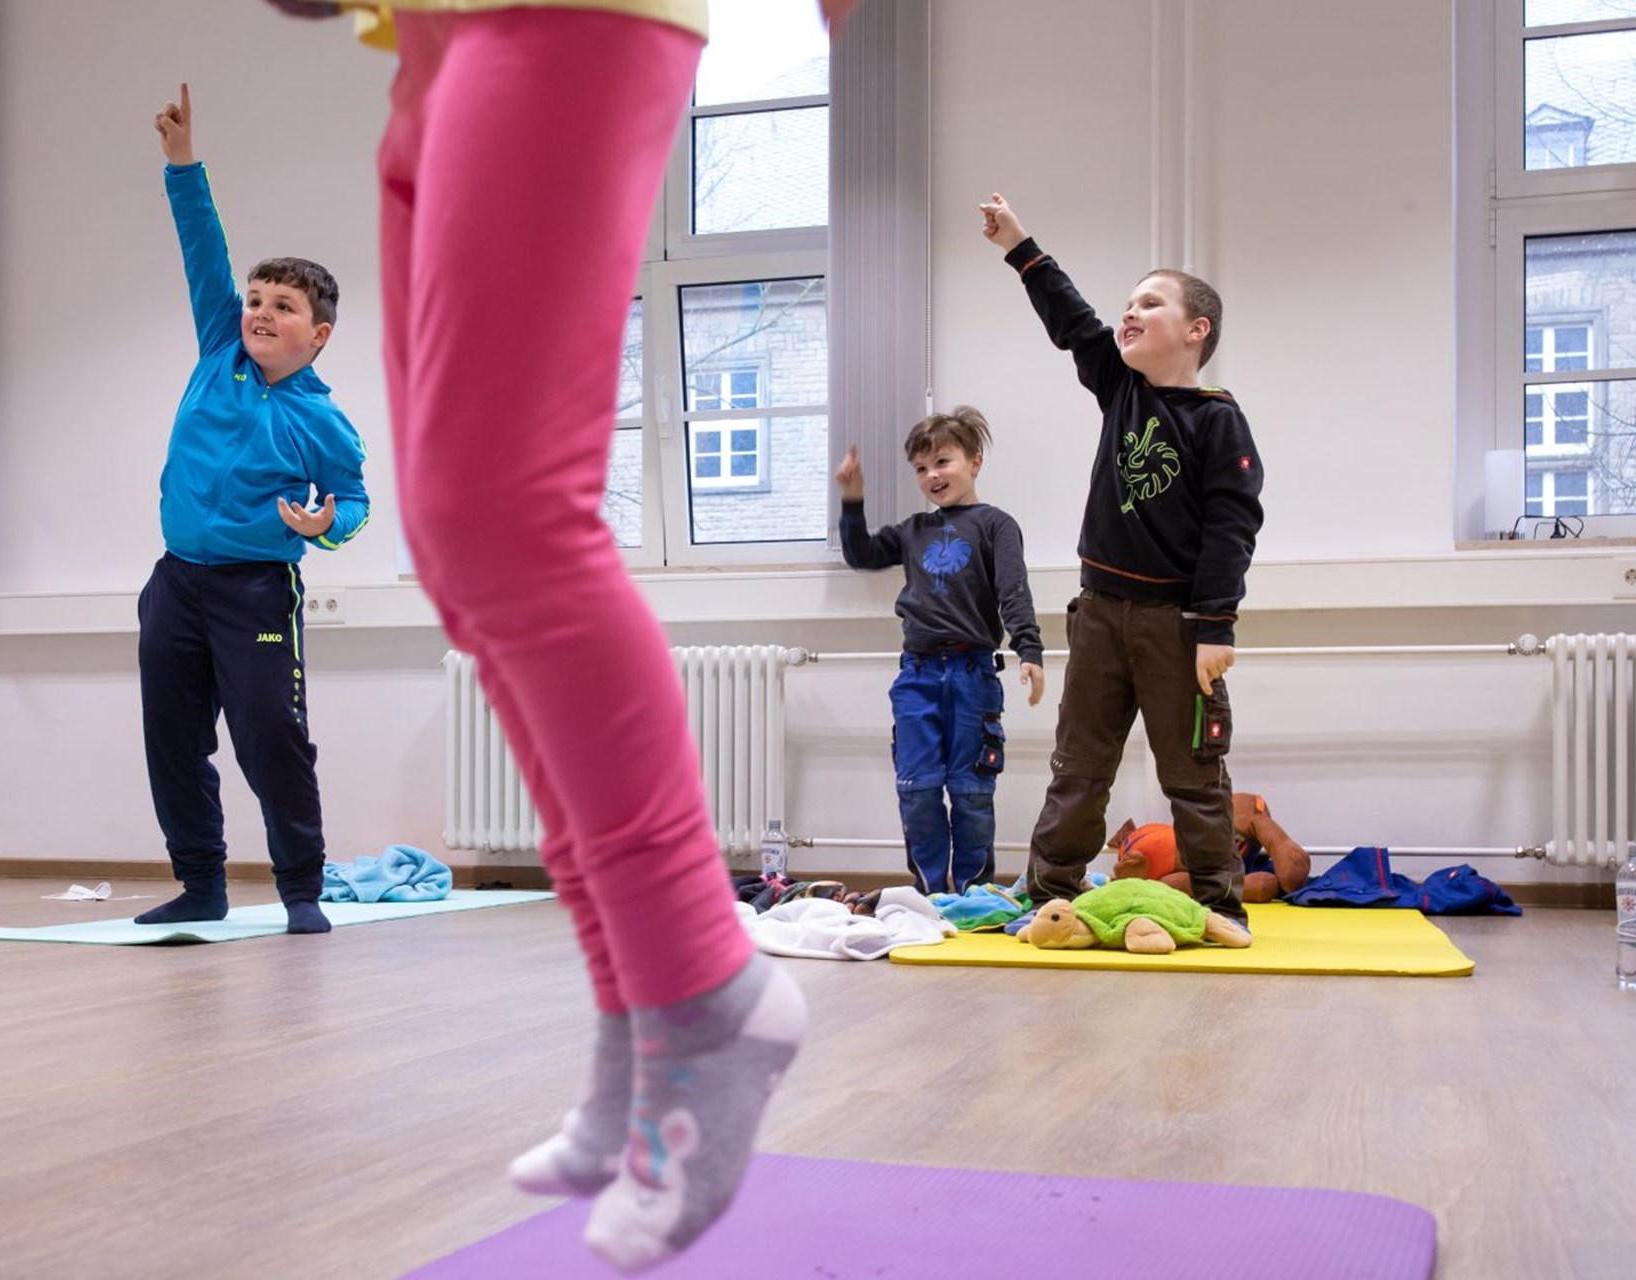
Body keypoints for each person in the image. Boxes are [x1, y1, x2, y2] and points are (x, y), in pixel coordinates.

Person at [260, 1, 858, 1270]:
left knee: (514, 515)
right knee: (460, 548)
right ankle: (634, 1011)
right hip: (426, 32)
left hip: (572, 13)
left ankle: (706, 990)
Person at [979, 191, 1262, 935]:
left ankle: (1218, 900)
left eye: (1150, 303)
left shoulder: (1218, 419)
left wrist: (1216, 626)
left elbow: (1232, 529)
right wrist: (1019, 244)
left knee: (1193, 773)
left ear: (1196, 330)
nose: (1129, 313)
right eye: (1127, 303)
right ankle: (1048, 889)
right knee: (1080, 767)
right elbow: (1072, 320)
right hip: (1101, 615)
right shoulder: (1121, 388)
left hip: (1178, 626)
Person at [137, 85, 370, 936]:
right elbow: (203, 245)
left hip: (256, 592)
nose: (261, 313)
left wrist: (327, 528)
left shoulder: (322, 420)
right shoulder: (216, 352)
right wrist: (182, 163)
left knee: (271, 739)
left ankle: (300, 890)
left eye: (283, 307)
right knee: (173, 738)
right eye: (257, 300)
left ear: (318, 334)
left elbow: (355, 502)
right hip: (175, 584)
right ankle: (200, 885)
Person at [835, 408, 1045, 896]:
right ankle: (932, 892)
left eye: (943, 462)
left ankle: (973, 892)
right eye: (921, 469)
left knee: (972, 791)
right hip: (918, 676)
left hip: (974, 676)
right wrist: (851, 500)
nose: (932, 476)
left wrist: (1029, 650)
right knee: (918, 787)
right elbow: (861, 554)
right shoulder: (912, 531)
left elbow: (1013, 591)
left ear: (975, 462)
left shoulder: (996, 525)